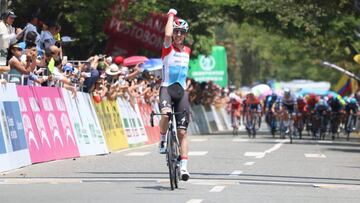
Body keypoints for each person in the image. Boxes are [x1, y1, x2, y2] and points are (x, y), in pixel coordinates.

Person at [158, 8, 191, 181]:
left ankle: (184, 167)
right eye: (176, 32)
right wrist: (171, 15)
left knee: (182, 132)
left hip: (181, 92)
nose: (178, 35)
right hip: (167, 89)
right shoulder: (167, 48)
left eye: (181, 33)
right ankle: (162, 139)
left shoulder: (188, 51)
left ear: (185, 35)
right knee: (165, 114)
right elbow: (167, 34)